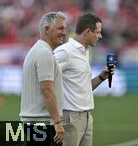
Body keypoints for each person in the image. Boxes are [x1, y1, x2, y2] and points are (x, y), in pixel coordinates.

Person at [54, 13, 115, 146]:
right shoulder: (65, 52)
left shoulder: (84, 51)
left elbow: (84, 87)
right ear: (88, 32)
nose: (100, 36)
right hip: (70, 118)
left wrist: (101, 77)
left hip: (87, 117)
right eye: (98, 32)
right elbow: (45, 80)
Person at [19, 12, 67, 146]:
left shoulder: (38, 50)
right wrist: (57, 122)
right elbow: (46, 90)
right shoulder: (44, 53)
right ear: (46, 29)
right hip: (41, 123)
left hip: (35, 122)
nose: (64, 32)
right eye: (60, 28)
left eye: (65, 28)